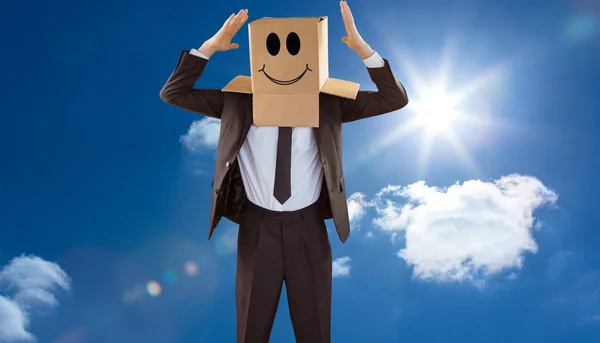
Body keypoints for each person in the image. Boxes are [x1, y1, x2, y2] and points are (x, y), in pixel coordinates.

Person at [160, 2, 408, 342]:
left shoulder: (329, 102)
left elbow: (394, 98)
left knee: (315, 330)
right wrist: (209, 48)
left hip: (308, 227)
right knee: (250, 330)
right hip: (257, 226)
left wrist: (364, 49)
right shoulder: (237, 101)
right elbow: (173, 93)